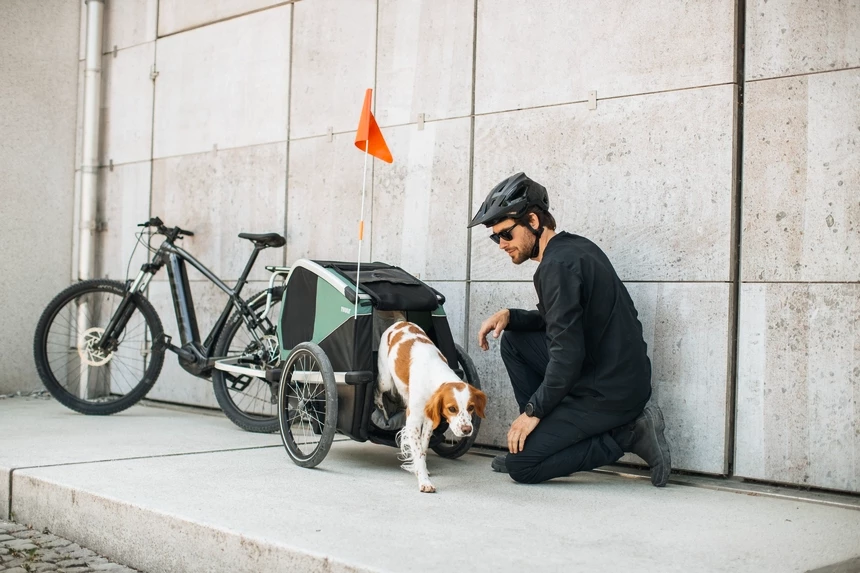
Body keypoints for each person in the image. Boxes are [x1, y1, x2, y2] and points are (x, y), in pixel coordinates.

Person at [469, 172, 671, 487]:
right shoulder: (572, 249)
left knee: (522, 467)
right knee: (514, 340)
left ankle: (629, 434)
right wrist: (511, 315)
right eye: (496, 238)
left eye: (506, 234)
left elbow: (567, 352)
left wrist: (533, 411)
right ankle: (539, 439)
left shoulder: (556, 268)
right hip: (610, 374)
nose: (501, 245)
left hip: (609, 393)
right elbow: (561, 323)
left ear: (533, 221)